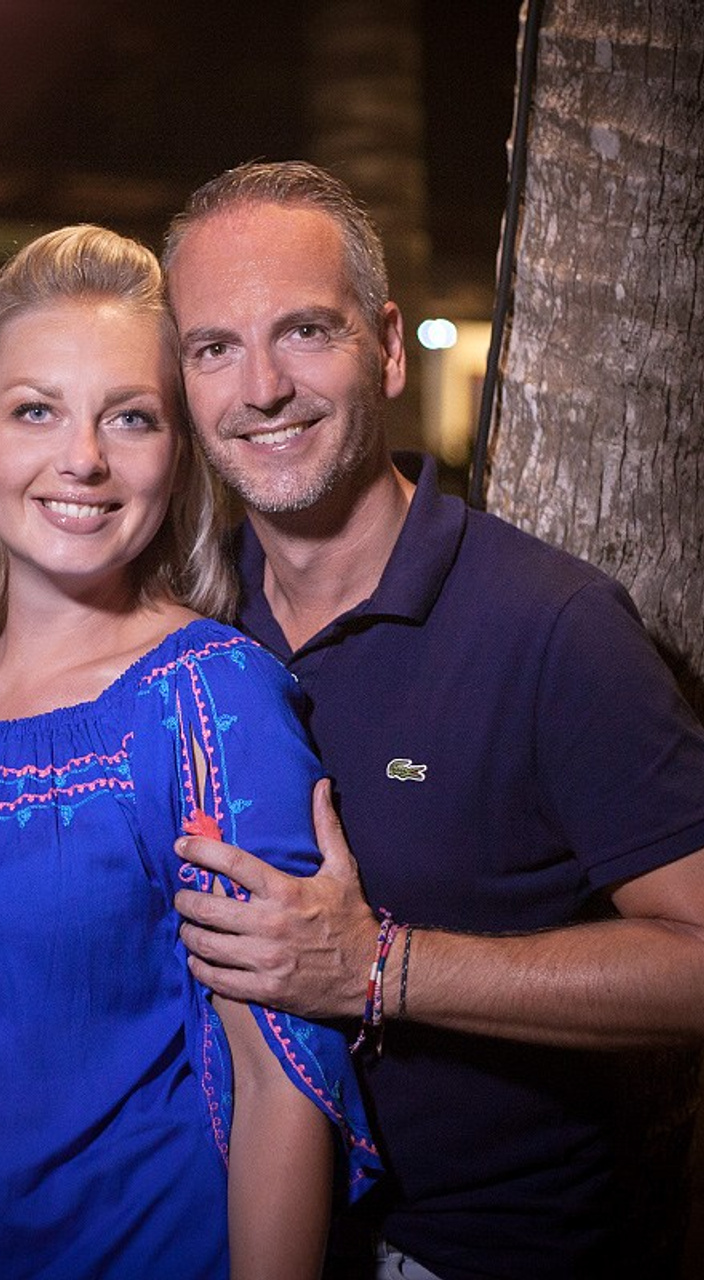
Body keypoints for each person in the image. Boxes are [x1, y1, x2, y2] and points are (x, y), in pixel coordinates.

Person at [0, 224, 381, 1278]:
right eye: (34, 409)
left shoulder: (205, 697)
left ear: (176, 453)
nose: (82, 458)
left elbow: (280, 1082)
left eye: (129, 417)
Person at [162, 161, 704, 1280]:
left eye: (303, 330)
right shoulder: (176, 624)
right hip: (188, 1230)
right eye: (213, 346)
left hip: (448, 1251)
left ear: (388, 346)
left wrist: (377, 967)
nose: (259, 387)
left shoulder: (550, 626)